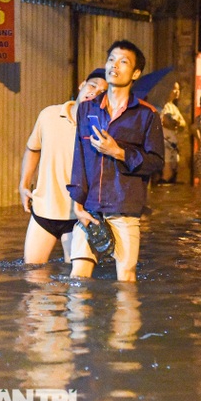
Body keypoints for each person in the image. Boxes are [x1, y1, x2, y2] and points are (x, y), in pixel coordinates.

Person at [67, 40, 164, 282]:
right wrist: (77, 205)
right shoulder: (87, 109)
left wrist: (118, 152)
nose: (115, 66)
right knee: (78, 280)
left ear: (136, 73)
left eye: (123, 62)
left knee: (126, 281)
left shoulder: (147, 115)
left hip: (124, 210)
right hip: (89, 210)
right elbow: (79, 157)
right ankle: (78, 321)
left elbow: (155, 163)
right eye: (111, 60)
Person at [19, 69, 108, 264]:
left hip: (78, 216)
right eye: (92, 86)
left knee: (77, 284)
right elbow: (32, 149)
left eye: (102, 93)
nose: (94, 92)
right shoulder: (49, 115)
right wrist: (23, 185)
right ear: (82, 85)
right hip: (43, 211)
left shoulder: (101, 130)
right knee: (32, 276)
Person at [159, 81, 187, 184]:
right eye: (174, 89)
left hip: (173, 143)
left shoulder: (173, 107)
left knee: (174, 169)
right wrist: (176, 122)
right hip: (165, 142)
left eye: (178, 89)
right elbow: (167, 122)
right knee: (167, 172)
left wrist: (177, 122)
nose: (177, 92)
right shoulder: (164, 106)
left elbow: (183, 124)